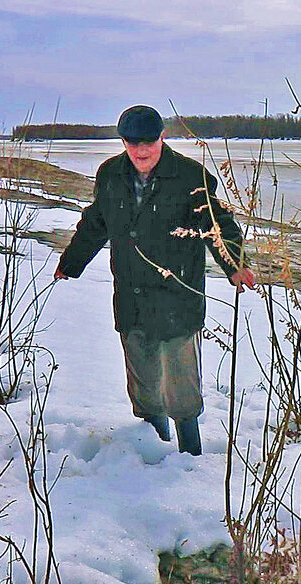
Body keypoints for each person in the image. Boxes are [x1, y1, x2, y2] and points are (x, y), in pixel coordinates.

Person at [54, 105, 255, 456]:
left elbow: (217, 225)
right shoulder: (111, 174)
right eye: (133, 143)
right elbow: (96, 222)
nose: (141, 150)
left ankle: (189, 455)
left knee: (181, 383)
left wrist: (235, 264)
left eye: (148, 141)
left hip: (177, 295)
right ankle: (152, 449)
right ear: (123, 142)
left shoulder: (191, 176)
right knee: (144, 382)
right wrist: (71, 263)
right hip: (131, 294)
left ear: (162, 137)